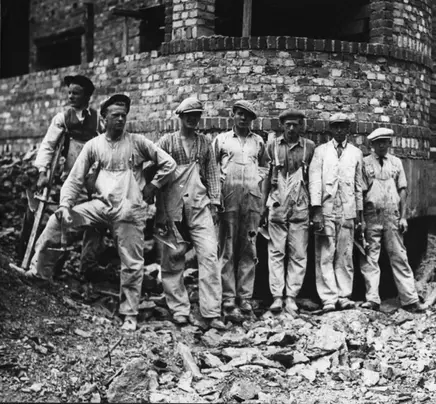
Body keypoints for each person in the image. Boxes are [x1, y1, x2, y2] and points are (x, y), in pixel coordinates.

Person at [26, 94, 176, 331]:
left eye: (123, 115)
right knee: (57, 221)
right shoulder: (94, 145)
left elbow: (168, 163)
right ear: (104, 118)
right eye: (115, 115)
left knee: (132, 261)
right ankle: (39, 274)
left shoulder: (138, 142)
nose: (120, 119)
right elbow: (75, 178)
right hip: (99, 207)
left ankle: (129, 314)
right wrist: (65, 205)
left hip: (128, 210)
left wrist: (152, 186)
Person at [22, 75, 104, 280]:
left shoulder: (97, 120)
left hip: (91, 176)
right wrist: (43, 172)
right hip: (69, 177)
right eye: (69, 92)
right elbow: (49, 145)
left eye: (76, 93)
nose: (71, 96)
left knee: (96, 222)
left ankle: (88, 267)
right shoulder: (63, 118)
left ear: (87, 96)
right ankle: (42, 265)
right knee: (60, 218)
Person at [155, 97, 227, 330]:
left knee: (209, 255)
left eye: (196, 115)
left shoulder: (204, 143)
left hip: (198, 205)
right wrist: (158, 207)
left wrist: (214, 203)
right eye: (188, 115)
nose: (192, 119)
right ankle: (179, 309)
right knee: (173, 257)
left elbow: (213, 173)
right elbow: (153, 168)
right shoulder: (166, 142)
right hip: (172, 207)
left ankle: (211, 311)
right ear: (180, 116)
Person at [213, 100, 269, 317]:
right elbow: (212, 169)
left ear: (252, 119)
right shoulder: (222, 140)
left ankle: (244, 297)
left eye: (247, 115)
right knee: (226, 247)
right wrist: (216, 197)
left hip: (252, 199)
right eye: (239, 114)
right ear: (233, 115)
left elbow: (264, 168)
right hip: (228, 198)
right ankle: (227, 297)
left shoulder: (258, 142)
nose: (243, 118)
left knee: (249, 248)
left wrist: (260, 197)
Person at [361, 128, 426, 313]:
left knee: (399, 256)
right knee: (370, 258)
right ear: (372, 144)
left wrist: (403, 217)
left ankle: (410, 299)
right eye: (378, 142)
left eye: (385, 142)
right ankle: (372, 299)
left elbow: (403, 190)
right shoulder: (365, 163)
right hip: (372, 215)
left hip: (392, 216)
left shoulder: (396, 162)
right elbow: (360, 192)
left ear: (389, 143)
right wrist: (362, 219)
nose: (382, 145)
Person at [308, 113, 364, 312]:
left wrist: (359, 215)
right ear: (330, 129)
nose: (339, 130)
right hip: (326, 209)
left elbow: (358, 186)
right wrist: (316, 210)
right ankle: (328, 298)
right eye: (335, 126)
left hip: (347, 210)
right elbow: (314, 181)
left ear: (348, 129)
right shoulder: (321, 151)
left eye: (343, 126)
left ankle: (344, 295)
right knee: (325, 253)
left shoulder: (356, 153)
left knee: (345, 254)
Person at [262, 110, 315, 314]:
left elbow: (313, 179)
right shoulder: (272, 146)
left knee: (298, 253)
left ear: (301, 126)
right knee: (276, 252)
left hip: (300, 204)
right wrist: (263, 207)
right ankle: (277, 296)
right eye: (288, 125)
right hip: (277, 204)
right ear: (282, 126)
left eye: (295, 124)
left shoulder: (309, 147)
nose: (291, 128)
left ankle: (291, 296)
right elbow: (266, 177)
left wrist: (314, 208)